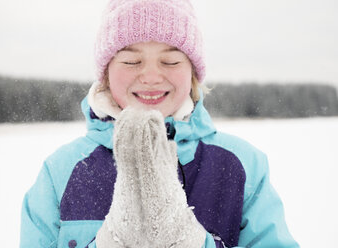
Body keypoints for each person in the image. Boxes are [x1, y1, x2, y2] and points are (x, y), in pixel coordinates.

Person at [20, 0, 299, 247]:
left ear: (192, 71)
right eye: (131, 61)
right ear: (106, 72)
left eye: (170, 60)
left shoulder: (242, 165)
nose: (151, 76)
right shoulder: (61, 171)